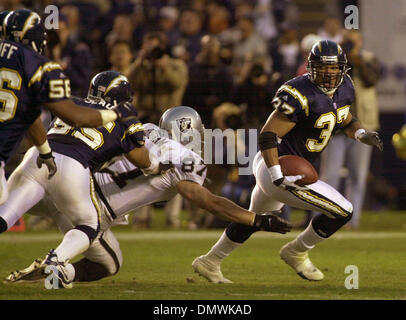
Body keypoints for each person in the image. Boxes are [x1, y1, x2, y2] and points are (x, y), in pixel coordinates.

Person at [5, 106, 292, 287]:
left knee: (11, 208)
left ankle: (57, 272)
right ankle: (59, 271)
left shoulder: (144, 130)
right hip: (90, 206)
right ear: (190, 130)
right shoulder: (188, 158)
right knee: (109, 264)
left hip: (67, 181)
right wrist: (255, 219)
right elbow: (204, 199)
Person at [191, 40, 383, 283]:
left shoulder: (345, 87)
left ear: (342, 69)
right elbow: (268, 135)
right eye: (323, 67)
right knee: (344, 210)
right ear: (311, 67)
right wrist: (276, 174)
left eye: (334, 68)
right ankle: (297, 251)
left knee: (252, 219)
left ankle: (210, 261)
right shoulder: (299, 92)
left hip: (288, 168)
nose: (329, 73)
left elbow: (344, 119)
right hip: (282, 168)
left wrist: (360, 134)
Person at [0, 70, 161, 288]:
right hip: (74, 167)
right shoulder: (123, 118)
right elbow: (141, 160)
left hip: (39, 156)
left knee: (4, 215)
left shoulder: (72, 102)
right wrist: (154, 163)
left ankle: (54, 264)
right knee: (89, 224)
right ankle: (56, 259)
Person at [0, 9, 140, 208]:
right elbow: (74, 117)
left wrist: (45, 151)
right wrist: (117, 113)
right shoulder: (41, 67)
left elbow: (30, 115)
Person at [319, 30, 382, 229]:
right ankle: (325, 218)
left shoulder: (370, 59)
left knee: (357, 176)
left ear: (361, 41)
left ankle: (351, 222)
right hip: (337, 127)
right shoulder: (335, 61)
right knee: (330, 175)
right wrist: (344, 55)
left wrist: (358, 58)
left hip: (363, 125)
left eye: (354, 41)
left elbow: (371, 79)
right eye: (347, 42)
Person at [127, 31, 188, 124]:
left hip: (169, 115)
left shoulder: (176, 65)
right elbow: (129, 85)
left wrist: (165, 69)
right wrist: (139, 61)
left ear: (162, 47)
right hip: (143, 115)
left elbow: (178, 83)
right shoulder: (141, 67)